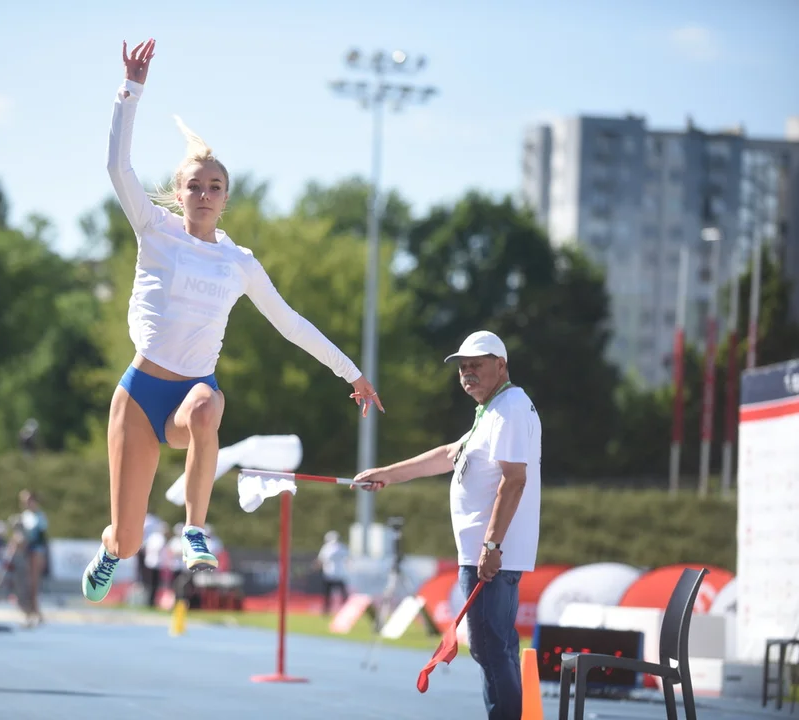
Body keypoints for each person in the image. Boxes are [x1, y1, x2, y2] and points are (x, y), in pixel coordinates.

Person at [81, 37, 383, 602]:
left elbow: (291, 323)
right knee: (124, 537)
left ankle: (195, 530)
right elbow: (116, 166)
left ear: (225, 200)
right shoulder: (155, 230)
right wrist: (132, 90)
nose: (203, 193)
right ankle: (111, 547)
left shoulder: (238, 263)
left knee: (205, 410)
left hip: (196, 388)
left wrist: (351, 373)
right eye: (194, 185)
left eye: (214, 187)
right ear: (178, 193)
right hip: (141, 394)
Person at [354, 331, 540, 720]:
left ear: (501, 365)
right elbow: (447, 456)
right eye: (463, 367)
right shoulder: (491, 412)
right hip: (486, 556)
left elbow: (515, 479)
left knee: (491, 650)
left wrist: (491, 545)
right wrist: (388, 474)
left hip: (491, 558)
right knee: (494, 649)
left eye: (477, 364)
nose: (467, 372)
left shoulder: (508, 408)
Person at [19, 490, 48, 625]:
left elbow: (41, 537)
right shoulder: (24, 516)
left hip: (36, 550)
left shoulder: (39, 516)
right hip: (26, 550)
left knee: (34, 582)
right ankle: (29, 610)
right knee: (26, 582)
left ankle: (36, 610)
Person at [315, 530, 349, 615]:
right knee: (343, 595)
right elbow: (349, 560)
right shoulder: (343, 547)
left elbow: (320, 560)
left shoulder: (326, 548)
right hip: (340, 574)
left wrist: (315, 567)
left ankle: (326, 610)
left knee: (327, 595)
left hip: (329, 574)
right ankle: (346, 610)